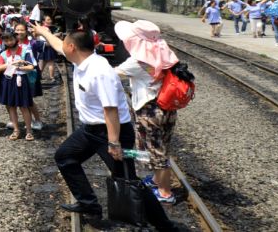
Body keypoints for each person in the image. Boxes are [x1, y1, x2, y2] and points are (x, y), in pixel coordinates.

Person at [32, 23, 178, 230]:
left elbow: (111, 110)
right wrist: (42, 31)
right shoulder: (80, 61)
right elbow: (57, 45)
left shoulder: (99, 71)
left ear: (72, 47)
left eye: (65, 43)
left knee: (128, 180)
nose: (61, 46)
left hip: (112, 132)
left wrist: (114, 142)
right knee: (65, 157)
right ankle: (89, 204)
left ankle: (165, 226)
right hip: (90, 130)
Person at [113, 20, 181, 204]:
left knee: (157, 153)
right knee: (163, 146)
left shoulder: (137, 61)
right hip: (167, 108)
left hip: (150, 110)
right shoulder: (164, 52)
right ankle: (158, 180)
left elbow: (113, 73)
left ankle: (165, 192)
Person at [0, 31, 36, 141]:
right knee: (11, 106)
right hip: (8, 80)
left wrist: (20, 67)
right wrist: (12, 64)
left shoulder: (24, 51)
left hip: (21, 79)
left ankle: (29, 130)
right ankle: (16, 130)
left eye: (11, 39)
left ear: (16, 38)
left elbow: (31, 67)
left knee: (24, 106)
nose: (9, 42)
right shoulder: (4, 53)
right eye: (6, 40)